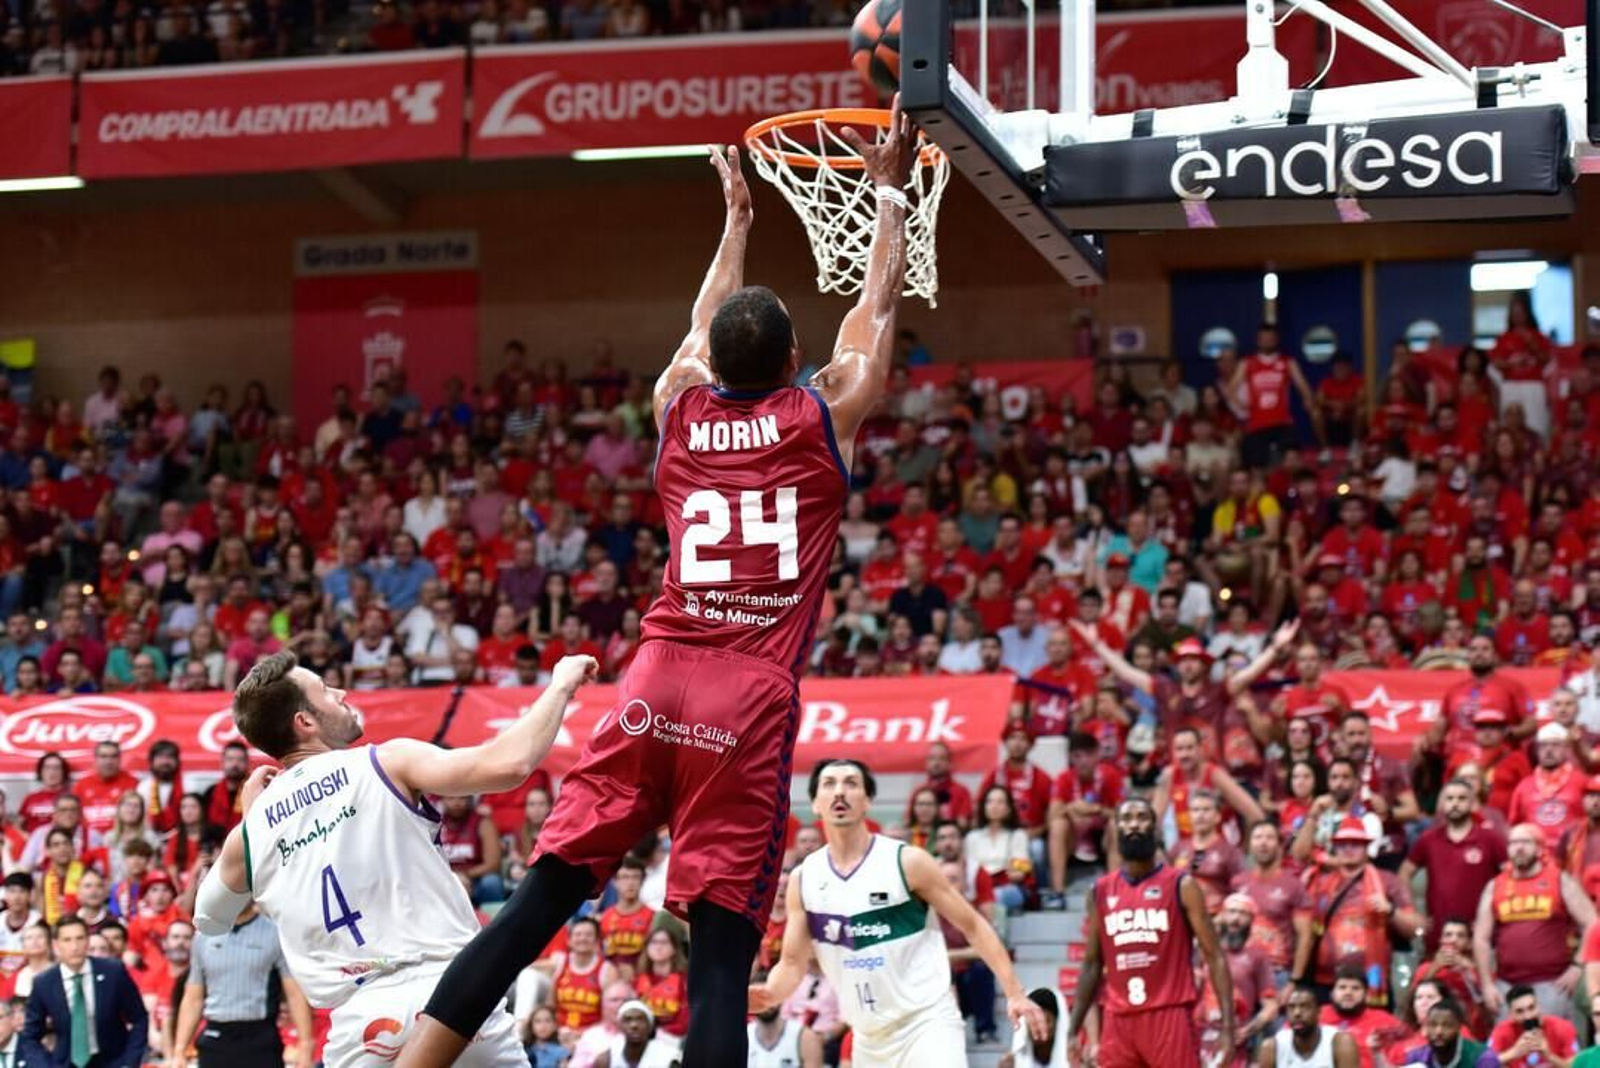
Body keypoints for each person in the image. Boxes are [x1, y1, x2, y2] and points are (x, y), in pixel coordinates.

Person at [399, 101, 920, 1068]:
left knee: (533, 909)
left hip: (653, 679)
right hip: (744, 696)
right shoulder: (825, 411)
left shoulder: (675, 406)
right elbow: (875, 315)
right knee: (719, 960)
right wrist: (889, 191)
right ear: (795, 365)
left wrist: (735, 223)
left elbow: (698, 324)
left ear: (712, 362)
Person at [190, 650, 599, 1067]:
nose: (341, 691)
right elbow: (509, 763)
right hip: (452, 999)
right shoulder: (383, 761)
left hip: (360, 1023)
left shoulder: (252, 830)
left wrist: (250, 822)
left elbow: (209, 918)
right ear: (305, 722)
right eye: (326, 691)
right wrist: (560, 686)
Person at [748, 759, 1046, 1066]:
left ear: (867, 801)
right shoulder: (804, 878)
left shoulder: (907, 862)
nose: (840, 792)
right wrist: (769, 994)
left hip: (927, 1022)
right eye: (829, 784)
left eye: (851, 783)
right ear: (815, 803)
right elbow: (793, 963)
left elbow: (973, 925)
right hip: (868, 1036)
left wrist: (1014, 992)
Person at [1067, 796, 1236, 1068]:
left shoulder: (1182, 885)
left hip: (1169, 1014)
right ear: (1116, 829)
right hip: (1118, 1018)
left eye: (1142, 818)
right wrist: (1073, 1028)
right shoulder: (1099, 891)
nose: (1134, 825)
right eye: (1126, 819)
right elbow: (1091, 965)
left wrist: (1228, 1028)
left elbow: (1214, 955)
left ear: (1156, 830)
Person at [1472, 823, 1595, 1021]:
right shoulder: (1495, 885)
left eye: (1525, 842)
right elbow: (1481, 938)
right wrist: (1487, 984)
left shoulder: (1559, 879)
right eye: (1513, 843)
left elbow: (1592, 923)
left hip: (1553, 983)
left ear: (1539, 848)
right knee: (1507, 1048)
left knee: (1556, 1045)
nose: (1518, 847)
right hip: (1507, 985)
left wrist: (1577, 966)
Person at [171, 903, 314, 1068]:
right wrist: (179, 1049)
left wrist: (305, 1046)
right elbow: (192, 998)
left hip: (261, 1038)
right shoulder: (204, 935)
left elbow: (294, 994)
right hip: (216, 1035)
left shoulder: (275, 933)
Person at [20, 915, 148, 1068]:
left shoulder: (113, 972)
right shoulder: (44, 983)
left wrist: (129, 1062)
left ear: (87, 941)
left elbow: (139, 1018)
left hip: (113, 1061)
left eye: (80, 938)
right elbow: (30, 1036)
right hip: (66, 1063)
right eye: (67, 940)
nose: (75, 947)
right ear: (55, 945)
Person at [1256, 983, 1359, 1068]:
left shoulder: (1340, 1042)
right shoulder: (1272, 1046)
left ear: (1319, 1012)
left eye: (1304, 1006)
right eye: (1291, 1007)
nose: (1297, 1013)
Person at [1487, 983, 1578, 1068]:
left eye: (1531, 1007)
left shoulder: (1562, 1027)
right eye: (1519, 1011)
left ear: (1539, 1006)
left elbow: (1576, 1066)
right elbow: (1483, 1064)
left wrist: (1549, 1056)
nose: (1528, 1016)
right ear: (1511, 1015)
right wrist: (1514, 1052)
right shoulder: (1502, 1031)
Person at [747, 971, 822, 1068]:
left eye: (767, 996)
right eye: (758, 998)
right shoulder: (743, 1035)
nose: (765, 1003)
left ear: (780, 997)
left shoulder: (804, 1037)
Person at [597, 857, 654, 978]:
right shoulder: (604, 918)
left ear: (643, 880)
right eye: (624, 877)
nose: (630, 882)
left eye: (635, 877)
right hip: (610, 982)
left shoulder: (653, 917)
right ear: (614, 882)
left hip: (642, 981)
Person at [1400, 998, 1499, 1067]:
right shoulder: (1416, 1058)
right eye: (1433, 1025)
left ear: (1459, 1027)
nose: (1438, 1032)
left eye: (1447, 1025)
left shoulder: (1483, 1057)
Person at [590, 1001, 675, 1068]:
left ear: (650, 1026)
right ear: (619, 1026)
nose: (634, 1025)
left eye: (640, 1019)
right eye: (627, 1020)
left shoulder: (669, 1058)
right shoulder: (606, 1060)